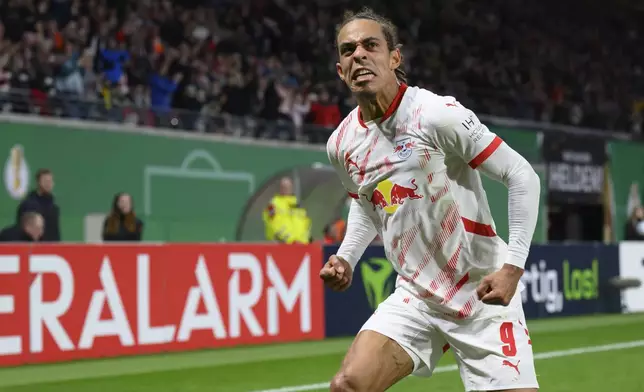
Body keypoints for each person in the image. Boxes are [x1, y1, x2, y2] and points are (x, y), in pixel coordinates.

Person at [320, 8, 540, 392]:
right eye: (348, 49)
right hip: (417, 296)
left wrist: (512, 267)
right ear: (341, 70)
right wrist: (346, 257)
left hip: (481, 293)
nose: (359, 54)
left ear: (394, 58)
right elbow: (366, 202)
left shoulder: (435, 115)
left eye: (370, 45)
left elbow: (521, 175)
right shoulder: (341, 144)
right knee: (348, 386)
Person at [16, 168, 61, 241]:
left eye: (50, 181)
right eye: (45, 181)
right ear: (38, 182)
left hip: (52, 248)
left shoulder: (54, 207)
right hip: (33, 247)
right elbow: (21, 230)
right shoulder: (27, 205)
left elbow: (55, 232)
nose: (48, 184)